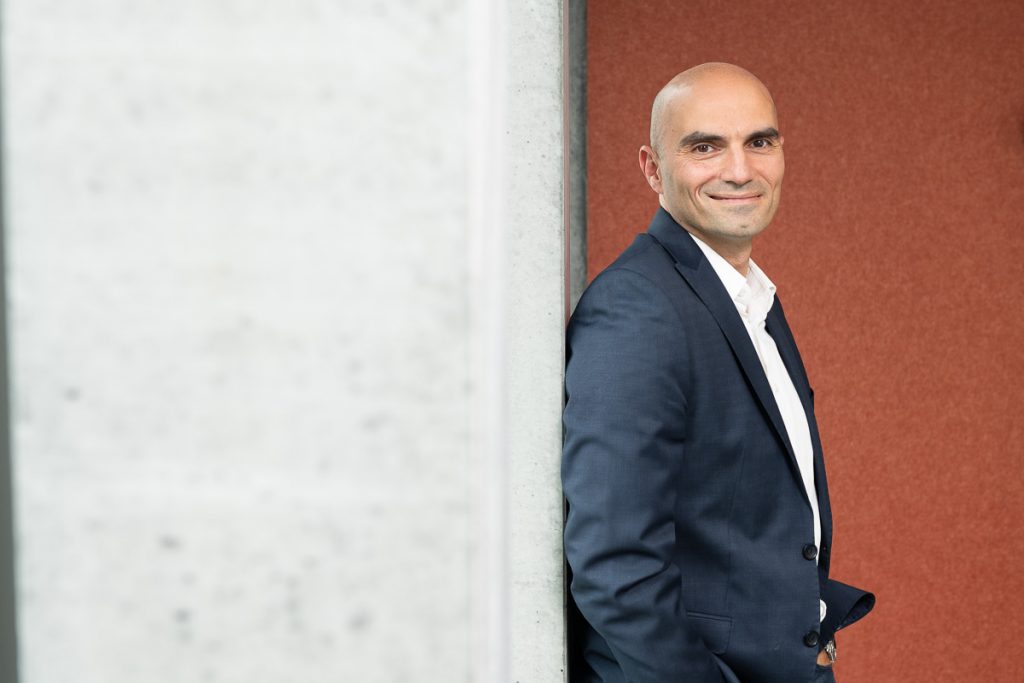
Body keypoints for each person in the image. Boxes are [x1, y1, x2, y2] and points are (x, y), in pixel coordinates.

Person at [562, 63, 874, 683]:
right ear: (653, 169)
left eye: (759, 142)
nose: (739, 170)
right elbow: (615, 568)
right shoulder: (638, 308)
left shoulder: (748, 299)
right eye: (705, 147)